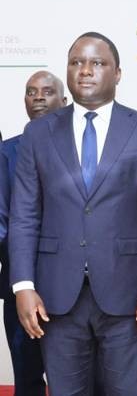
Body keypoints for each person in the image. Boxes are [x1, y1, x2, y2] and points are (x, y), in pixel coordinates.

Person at [9, 32, 137, 395]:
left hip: (130, 298)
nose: (85, 70)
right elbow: (24, 216)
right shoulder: (38, 134)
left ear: (118, 73)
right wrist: (23, 286)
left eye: (97, 63)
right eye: (77, 63)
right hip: (56, 298)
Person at [1, 71, 68, 396]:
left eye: (47, 91)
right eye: (31, 92)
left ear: (65, 101)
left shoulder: (85, 149)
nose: (38, 97)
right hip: (21, 288)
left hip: (75, 289)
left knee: (78, 381)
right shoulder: (6, 153)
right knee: (27, 381)